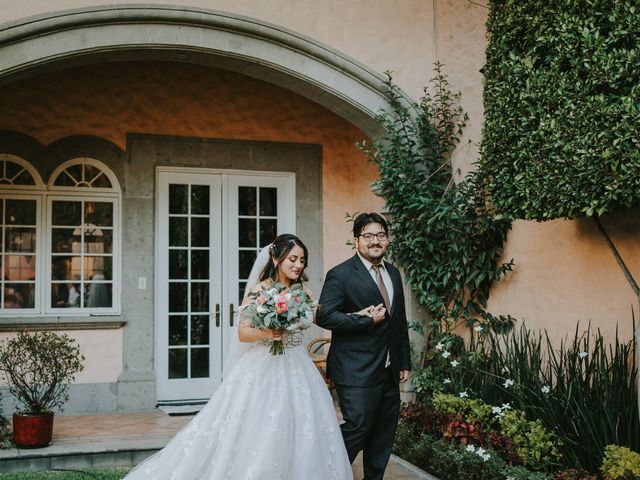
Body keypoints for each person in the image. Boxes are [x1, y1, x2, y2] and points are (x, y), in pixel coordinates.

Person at [125, 234, 353, 480]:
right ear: (276, 259)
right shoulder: (261, 290)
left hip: (299, 366)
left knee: (304, 426)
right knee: (262, 426)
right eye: (293, 259)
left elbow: (324, 316)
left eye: (302, 260)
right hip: (265, 365)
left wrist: (358, 314)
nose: (299, 265)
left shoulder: (304, 291)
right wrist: (270, 330)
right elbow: (243, 333)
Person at [317, 212, 412, 480]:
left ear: (387, 240)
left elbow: (399, 321)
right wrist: (364, 320)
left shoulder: (393, 273)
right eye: (368, 236)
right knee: (358, 426)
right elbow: (324, 316)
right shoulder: (341, 274)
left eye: (380, 235)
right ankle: (325, 471)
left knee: (383, 434)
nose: (375, 241)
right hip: (354, 369)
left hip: (389, 369)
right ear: (356, 240)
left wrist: (403, 360)